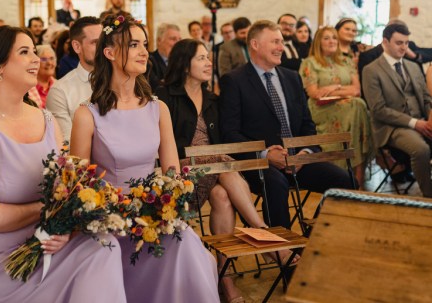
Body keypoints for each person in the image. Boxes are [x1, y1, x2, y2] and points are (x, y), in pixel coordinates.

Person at [0, 26, 126, 303]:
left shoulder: (46, 119)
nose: (36, 59)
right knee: (97, 257)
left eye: (35, 51)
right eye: (25, 52)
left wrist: (64, 229)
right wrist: (48, 212)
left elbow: (66, 189)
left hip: (39, 241)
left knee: (104, 246)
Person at [70, 15, 219, 303]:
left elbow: (172, 171)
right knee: (107, 251)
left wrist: (166, 206)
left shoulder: (157, 108)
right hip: (108, 221)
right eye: (134, 44)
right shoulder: (87, 114)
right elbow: (78, 185)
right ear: (110, 53)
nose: (143, 52)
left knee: (186, 243)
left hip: (153, 214)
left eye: (145, 44)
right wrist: (107, 213)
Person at [157, 38, 296, 303]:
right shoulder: (164, 97)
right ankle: (263, 234)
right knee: (223, 162)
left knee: (222, 195)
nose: (209, 63)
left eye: (209, 57)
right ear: (184, 64)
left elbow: (222, 140)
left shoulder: (212, 99)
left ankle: (225, 279)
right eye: (201, 58)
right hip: (178, 173)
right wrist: (207, 157)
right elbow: (165, 144)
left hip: (216, 169)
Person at [219, 20, 354, 228]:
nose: (282, 47)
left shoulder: (292, 78)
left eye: (282, 42)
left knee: (346, 181)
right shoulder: (234, 81)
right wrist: (265, 154)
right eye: (275, 42)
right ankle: (283, 250)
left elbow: (308, 125)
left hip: (298, 159)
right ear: (255, 45)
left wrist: (306, 153)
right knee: (276, 183)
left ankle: (317, 236)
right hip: (258, 163)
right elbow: (230, 133)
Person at [362, 23, 432, 197]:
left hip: (422, 120)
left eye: (406, 43)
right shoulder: (371, 70)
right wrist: (415, 123)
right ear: (385, 42)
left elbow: (426, 98)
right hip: (391, 128)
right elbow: (378, 110)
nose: (404, 47)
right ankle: (429, 197)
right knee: (421, 149)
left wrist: (430, 118)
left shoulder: (414, 67)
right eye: (399, 43)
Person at [298, 27, 373, 188]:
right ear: (319, 42)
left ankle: (353, 177)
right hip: (321, 109)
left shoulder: (346, 60)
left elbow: (357, 90)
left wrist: (334, 87)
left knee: (357, 105)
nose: (331, 41)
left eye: (333, 37)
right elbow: (315, 93)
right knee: (357, 106)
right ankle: (353, 177)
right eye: (326, 38)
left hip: (349, 108)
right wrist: (343, 91)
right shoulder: (310, 62)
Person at [46, 17, 101, 142]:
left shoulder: (120, 81)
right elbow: (68, 144)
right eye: (95, 42)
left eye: (104, 42)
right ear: (77, 46)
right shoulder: (60, 91)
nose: (103, 48)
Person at [147, 23, 181, 90]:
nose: (178, 43)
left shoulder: (182, 61)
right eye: (173, 39)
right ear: (159, 40)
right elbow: (156, 87)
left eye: (179, 39)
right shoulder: (149, 61)